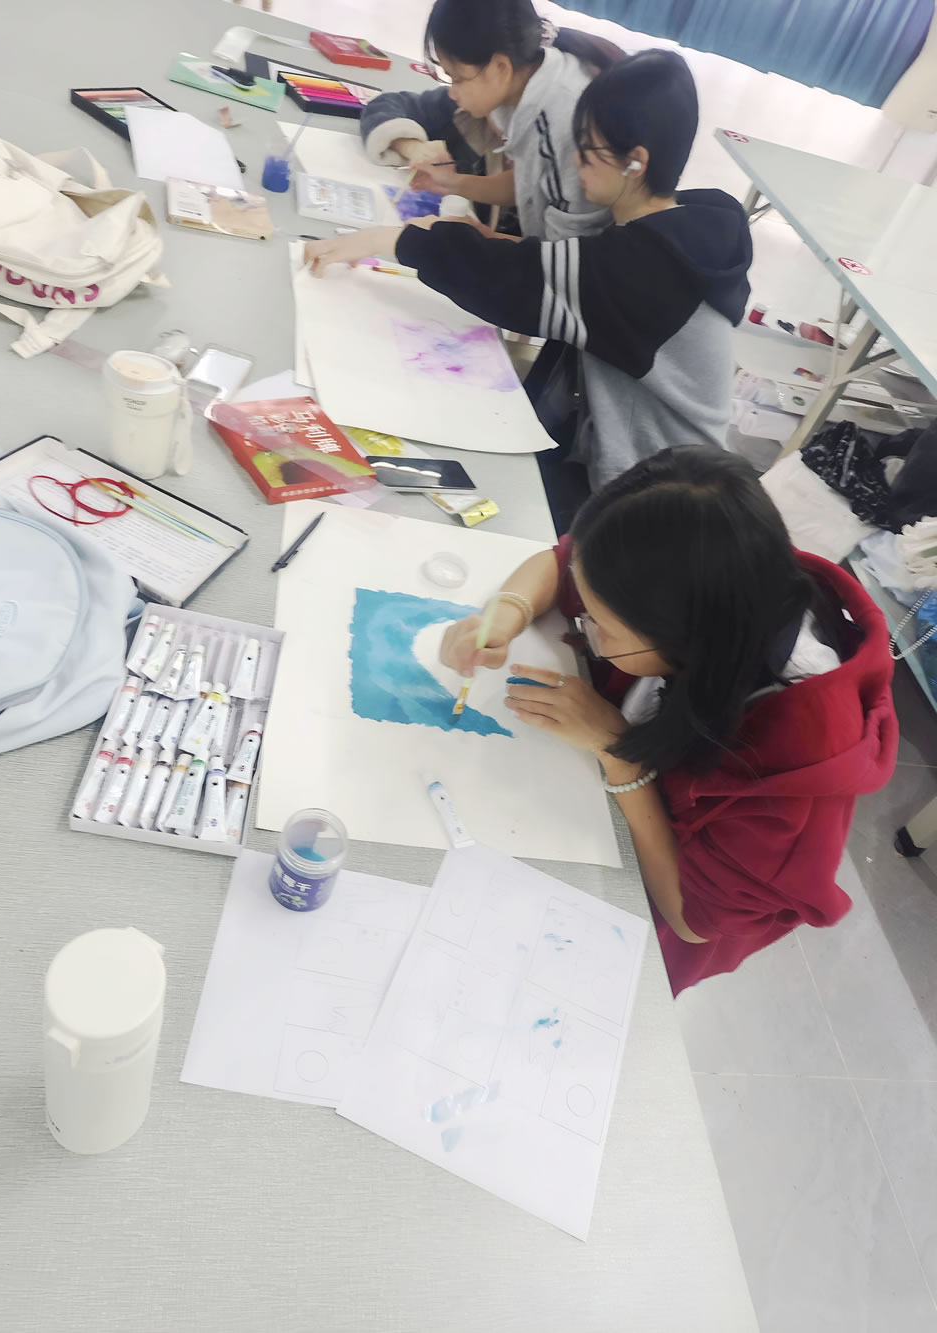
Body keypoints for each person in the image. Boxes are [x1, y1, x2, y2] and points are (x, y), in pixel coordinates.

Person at [439, 447, 897, 995]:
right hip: (601, 800)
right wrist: (507, 612)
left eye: (601, 627)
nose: (585, 625)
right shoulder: (709, 576)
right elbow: (562, 563)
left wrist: (616, 750)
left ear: (688, 643)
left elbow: (689, 918)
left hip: (650, 904)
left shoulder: (793, 772)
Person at [307, 51, 753, 517]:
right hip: (623, 453)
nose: (575, 160)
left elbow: (513, 281)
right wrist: (480, 234)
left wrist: (392, 239)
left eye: (589, 148)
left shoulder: (643, 268)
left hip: (650, 505)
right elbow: (559, 266)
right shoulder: (682, 227)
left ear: (635, 162)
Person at [360, 0, 622, 240]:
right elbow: (528, 183)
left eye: (458, 79)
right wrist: (449, 182)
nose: (452, 92)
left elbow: (565, 257)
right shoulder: (526, 80)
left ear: (500, 68)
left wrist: (480, 239)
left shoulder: (561, 125)